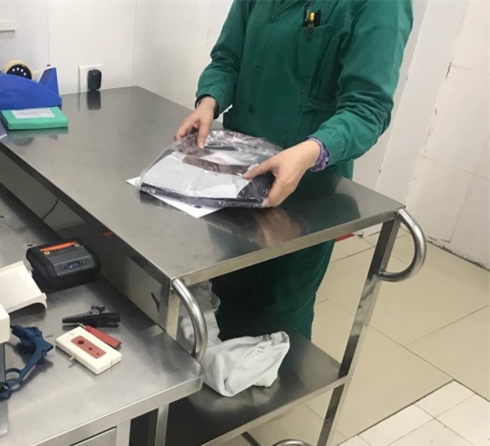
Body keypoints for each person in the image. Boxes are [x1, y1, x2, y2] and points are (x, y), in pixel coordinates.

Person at [175, 0, 412, 340]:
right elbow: (228, 59)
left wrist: (309, 152)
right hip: (238, 176)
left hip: (306, 191)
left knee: (277, 313)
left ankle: (278, 369)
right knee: (227, 285)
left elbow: (367, 109)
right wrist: (209, 101)